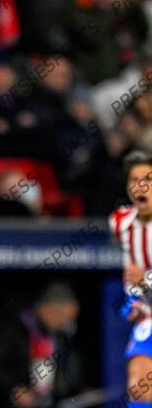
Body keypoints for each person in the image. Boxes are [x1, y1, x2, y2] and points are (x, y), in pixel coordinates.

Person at [0, 283, 85, 408]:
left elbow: (67, 369)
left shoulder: (61, 334)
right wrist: (13, 388)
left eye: (69, 317)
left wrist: (79, 390)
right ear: (45, 307)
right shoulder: (14, 325)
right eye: (61, 315)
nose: (65, 321)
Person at [110, 151, 152, 407]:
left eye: (148, 179)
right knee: (139, 386)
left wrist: (145, 279)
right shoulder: (119, 222)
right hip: (147, 316)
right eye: (134, 180)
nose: (141, 186)